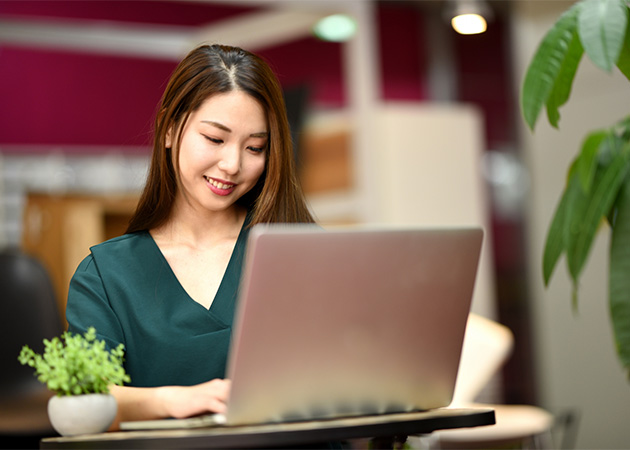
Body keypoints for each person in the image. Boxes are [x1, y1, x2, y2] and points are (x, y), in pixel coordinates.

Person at [66, 44, 315, 429]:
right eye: (215, 139)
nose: (232, 165)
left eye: (255, 148)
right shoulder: (106, 276)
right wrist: (176, 399)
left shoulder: (301, 250)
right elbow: (84, 399)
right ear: (169, 129)